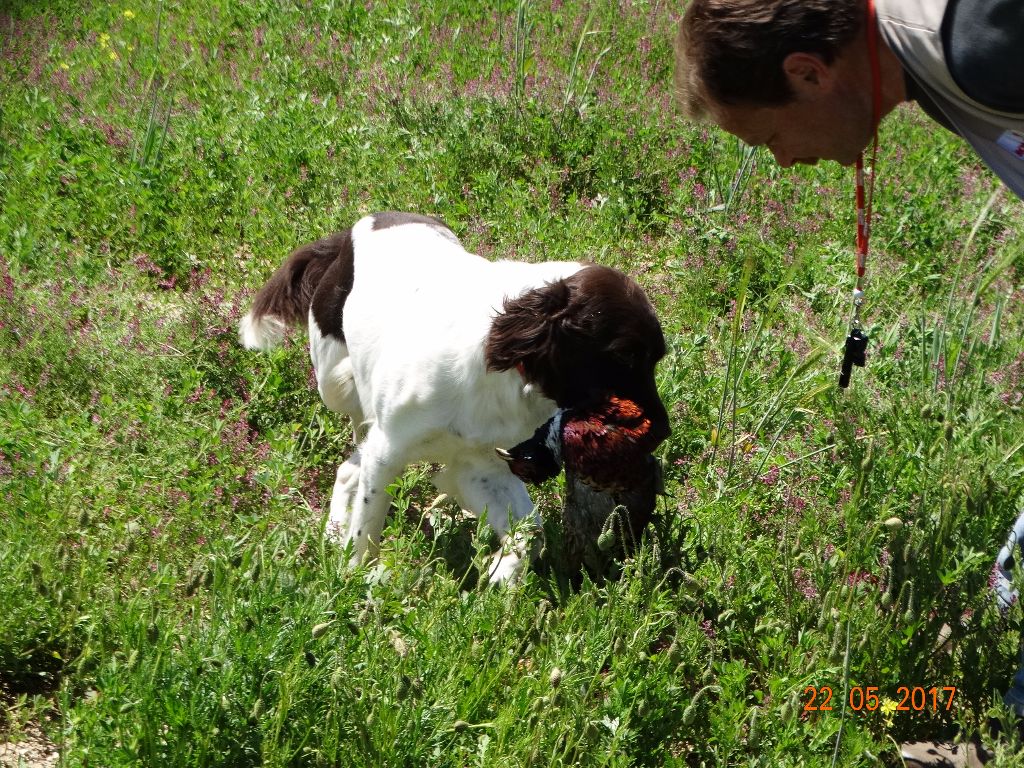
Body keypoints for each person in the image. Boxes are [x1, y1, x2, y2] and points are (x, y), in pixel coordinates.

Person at [674, 0, 1023, 763]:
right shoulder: (925, 61)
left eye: (767, 138)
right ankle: (988, 674)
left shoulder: (984, 47)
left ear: (808, 72)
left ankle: (1003, 727)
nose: (785, 163)